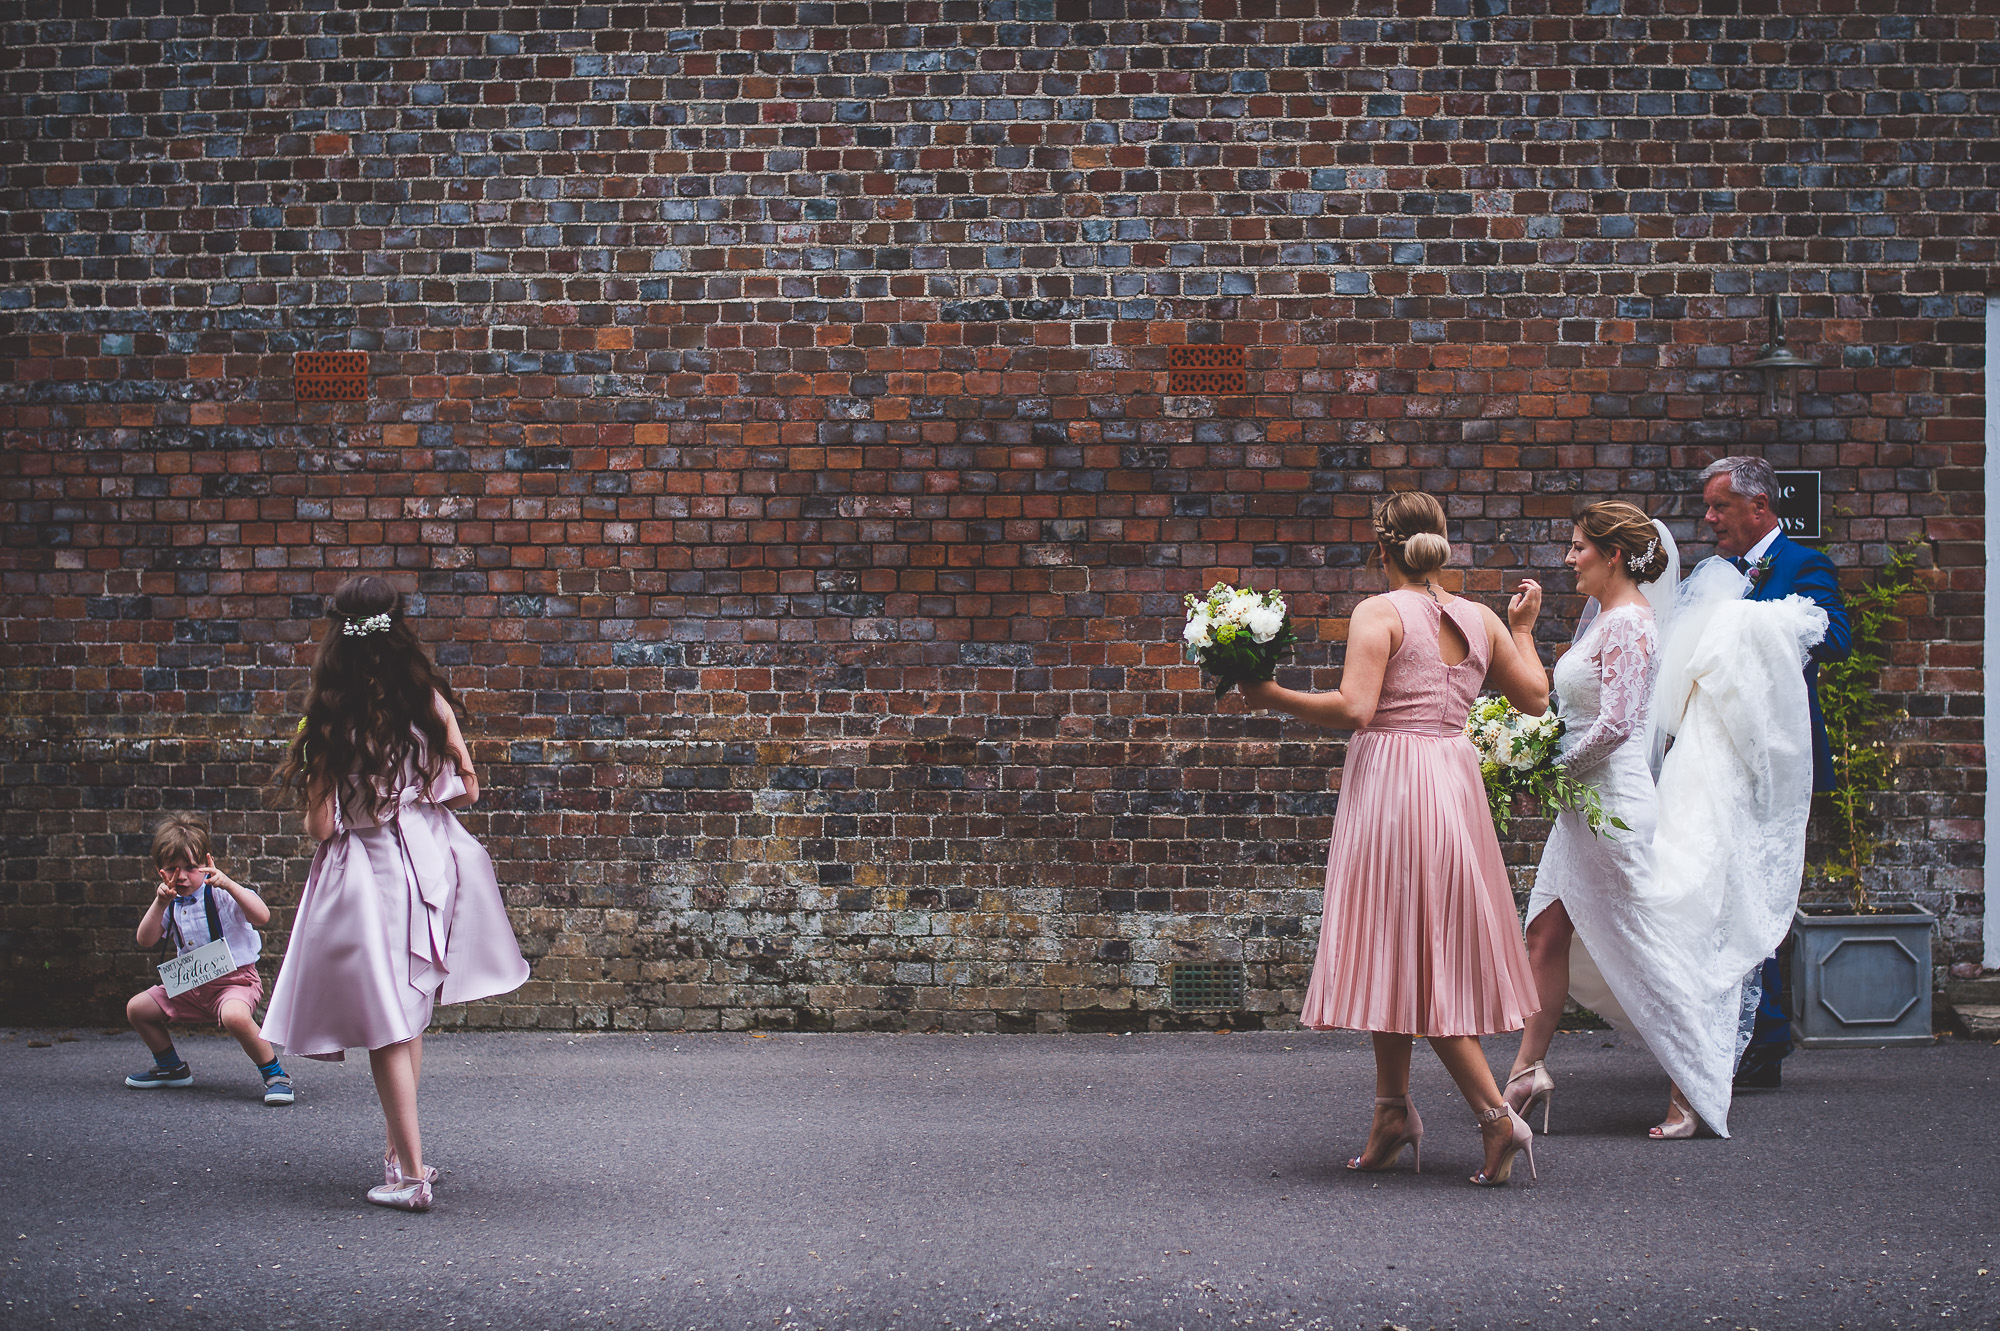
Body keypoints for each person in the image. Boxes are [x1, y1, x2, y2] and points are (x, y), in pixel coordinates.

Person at [1236, 492, 1551, 1186]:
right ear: (1440, 544)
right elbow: (1535, 697)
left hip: (1394, 790)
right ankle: (1391, 1111)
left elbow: (1356, 708)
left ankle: (1498, 1118)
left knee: (1416, 951)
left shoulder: (1379, 611)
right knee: (1400, 943)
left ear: (1382, 551)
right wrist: (1524, 628)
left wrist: (1271, 695)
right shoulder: (1481, 617)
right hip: (1453, 783)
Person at [262, 575, 529, 1213]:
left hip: (370, 874)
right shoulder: (427, 699)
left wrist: (336, 795)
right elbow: (466, 789)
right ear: (396, 626)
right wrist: (414, 793)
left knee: (386, 1026)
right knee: (407, 1018)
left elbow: (323, 827)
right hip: (429, 864)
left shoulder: (329, 714)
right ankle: (399, 1155)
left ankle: (410, 1176)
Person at [1503, 502, 1681, 1136]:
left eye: (1579, 547)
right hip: (1581, 806)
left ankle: (1689, 1083)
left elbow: (1617, 725)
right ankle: (1527, 1070)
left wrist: (1548, 773)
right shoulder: (1606, 620)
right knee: (1544, 936)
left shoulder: (1632, 624)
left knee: (1645, 947)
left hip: (1615, 810)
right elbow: (1571, 711)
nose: (1569, 558)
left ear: (1611, 556)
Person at [1700, 456, 1851, 1089]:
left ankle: (1767, 1040)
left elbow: (1835, 637)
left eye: (1718, 507)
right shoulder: (1713, 572)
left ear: (1757, 507)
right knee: (1723, 896)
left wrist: (1752, 621)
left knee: (1759, 896)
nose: (1708, 519)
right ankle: (1738, 1031)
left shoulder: (1802, 564)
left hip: (1775, 761)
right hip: (1718, 756)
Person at [124, 814, 294, 1106]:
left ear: (206, 864)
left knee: (235, 1017)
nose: (182, 876)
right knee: (137, 1009)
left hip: (234, 982)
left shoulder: (220, 894)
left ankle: (275, 1075)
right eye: (172, 869)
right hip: (189, 986)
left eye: (191, 868)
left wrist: (229, 884)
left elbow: (262, 916)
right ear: (160, 871)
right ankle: (171, 1067)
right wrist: (160, 902)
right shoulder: (170, 901)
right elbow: (145, 939)